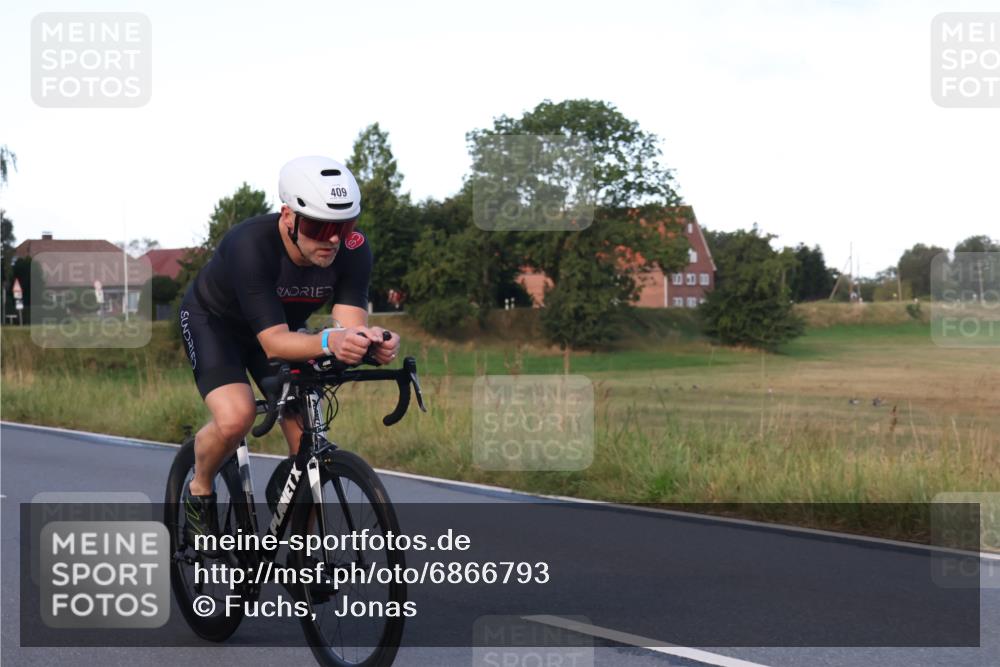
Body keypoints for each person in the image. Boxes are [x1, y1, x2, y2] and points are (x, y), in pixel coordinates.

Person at [177, 155, 400, 541]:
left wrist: (370, 341)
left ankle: (299, 555)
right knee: (236, 417)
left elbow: (349, 323)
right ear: (287, 216)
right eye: (318, 226)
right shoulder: (250, 244)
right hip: (216, 325)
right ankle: (200, 488)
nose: (332, 239)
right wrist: (331, 340)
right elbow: (274, 343)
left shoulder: (354, 249)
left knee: (307, 442)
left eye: (344, 227)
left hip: (282, 328)